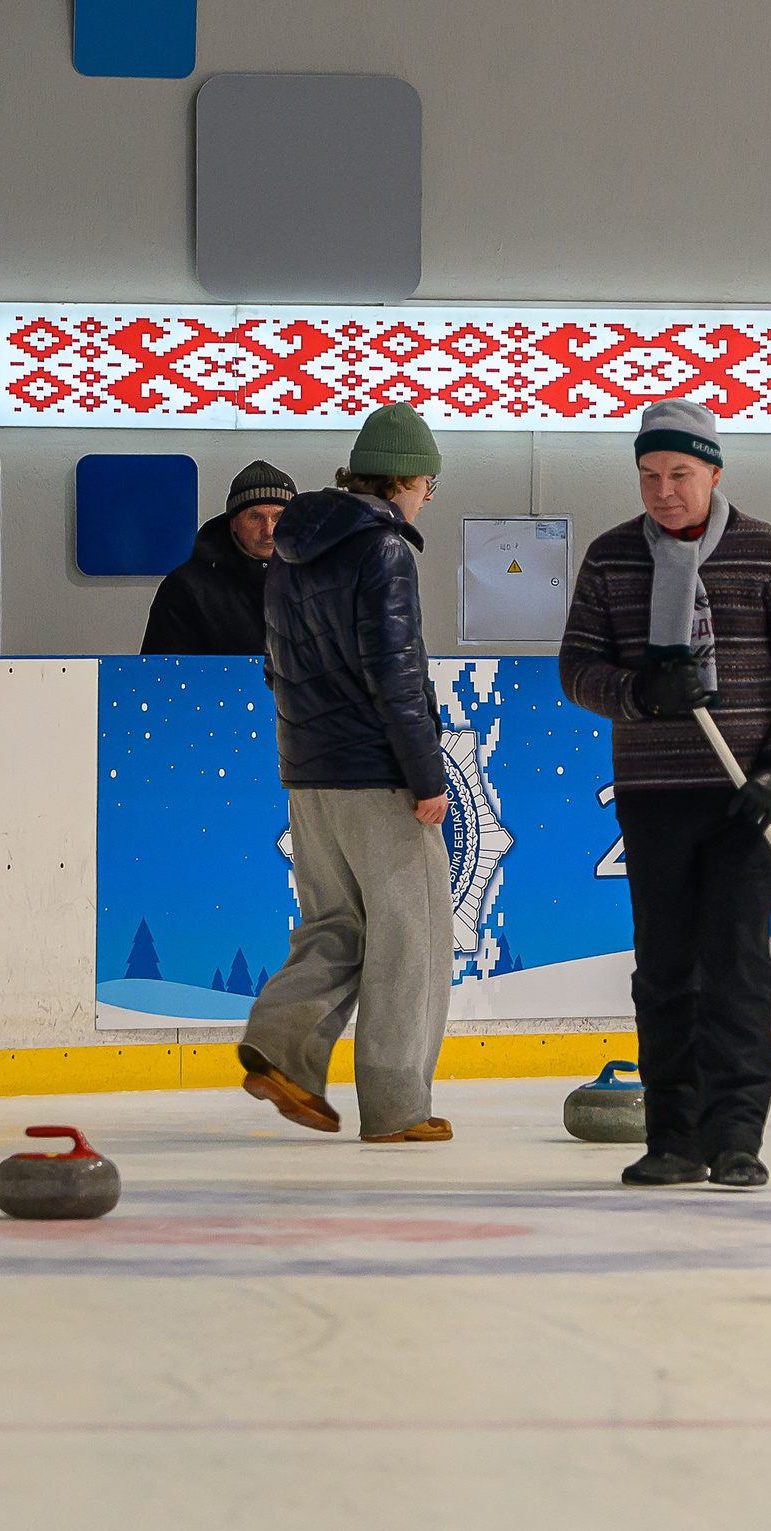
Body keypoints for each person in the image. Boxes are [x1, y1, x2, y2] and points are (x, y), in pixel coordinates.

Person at [560, 401, 771, 1190]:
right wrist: (640, 691)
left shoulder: (767, 554)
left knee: (739, 967)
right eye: (649, 475)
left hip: (744, 797)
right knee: (666, 969)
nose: (664, 490)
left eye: (680, 474)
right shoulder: (614, 558)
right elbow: (577, 670)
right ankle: (673, 1137)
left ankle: (738, 1135)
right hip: (654, 795)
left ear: (714, 471)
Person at [232, 404, 454, 1144]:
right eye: (427, 483)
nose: (427, 498)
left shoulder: (289, 555)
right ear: (402, 479)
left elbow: (279, 668)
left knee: (337, 923)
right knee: (411, 936)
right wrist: (426, 774)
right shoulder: (384, 550)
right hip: (376, 772)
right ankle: (396, 1107)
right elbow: (396, 674)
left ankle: (279, 1043)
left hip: (309, 773)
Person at [140, 459, 297, 654]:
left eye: (280, 517)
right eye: (255, 517)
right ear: (233, 522)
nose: (268, 530)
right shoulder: (186, 588)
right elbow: (163, 676)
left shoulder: (321, 581)